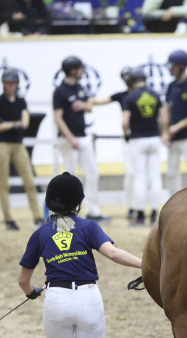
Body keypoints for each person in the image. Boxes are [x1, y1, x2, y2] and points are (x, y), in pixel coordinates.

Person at [18, 172, 142, 338]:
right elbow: (112, 253)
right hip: (87, 296)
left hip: (56, 299)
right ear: (78, 203)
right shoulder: (88, 227)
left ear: (50, 203)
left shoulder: (40, 234)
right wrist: (146, 264)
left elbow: (23, 280)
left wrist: (31, 293)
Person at [53, 55, 113, 222]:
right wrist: (70, 137)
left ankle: (93, 210)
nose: (83, 71)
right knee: (70, 176)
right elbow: (58, 117)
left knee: (93, 172)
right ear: (72, 70)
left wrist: (83, 105)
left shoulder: (80, 87)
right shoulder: (60, 91)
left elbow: (89, 107)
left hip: (83, 137)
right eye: (80, 68)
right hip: (68, 139)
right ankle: (67, 211)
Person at [0, 68, 43, 231]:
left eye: (13, 83)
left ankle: (37, 216)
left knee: (29, 181)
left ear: (17, 84)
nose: (10, 86)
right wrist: (12, 124)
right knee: (3, 183)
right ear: (4, 84)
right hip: (2, 145)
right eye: (7, 83)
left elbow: (25, 123)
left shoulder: (21, 102)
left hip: (18, 144)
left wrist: (5, 124)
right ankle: (8, 218)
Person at [122, 67, 166, 226]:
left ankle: (140, 214)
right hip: (154, 138)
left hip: (137, 139)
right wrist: (162, 134)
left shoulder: (130, 97)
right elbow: (163, 118)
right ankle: (154, 213)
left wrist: (126, 134)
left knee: (139, 177)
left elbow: (125, 122)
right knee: (155, 177)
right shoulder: (155, 95)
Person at [160, 50, 187, 198]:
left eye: (174, 66)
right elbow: (166, 109)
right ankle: (174, 202)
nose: (171, 70)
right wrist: (165, 131)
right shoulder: (171, 86)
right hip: (173, 138)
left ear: (182, 66)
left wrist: (178, 126)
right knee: (171, 173)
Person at [110, 67, 137, 220]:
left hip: (140, 137)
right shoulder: (122, 96)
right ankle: (132, 206)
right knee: (131, 174)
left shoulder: (140, 94)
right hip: (130, 139)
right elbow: (102, 100)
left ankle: (140, 206)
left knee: (142, 175)